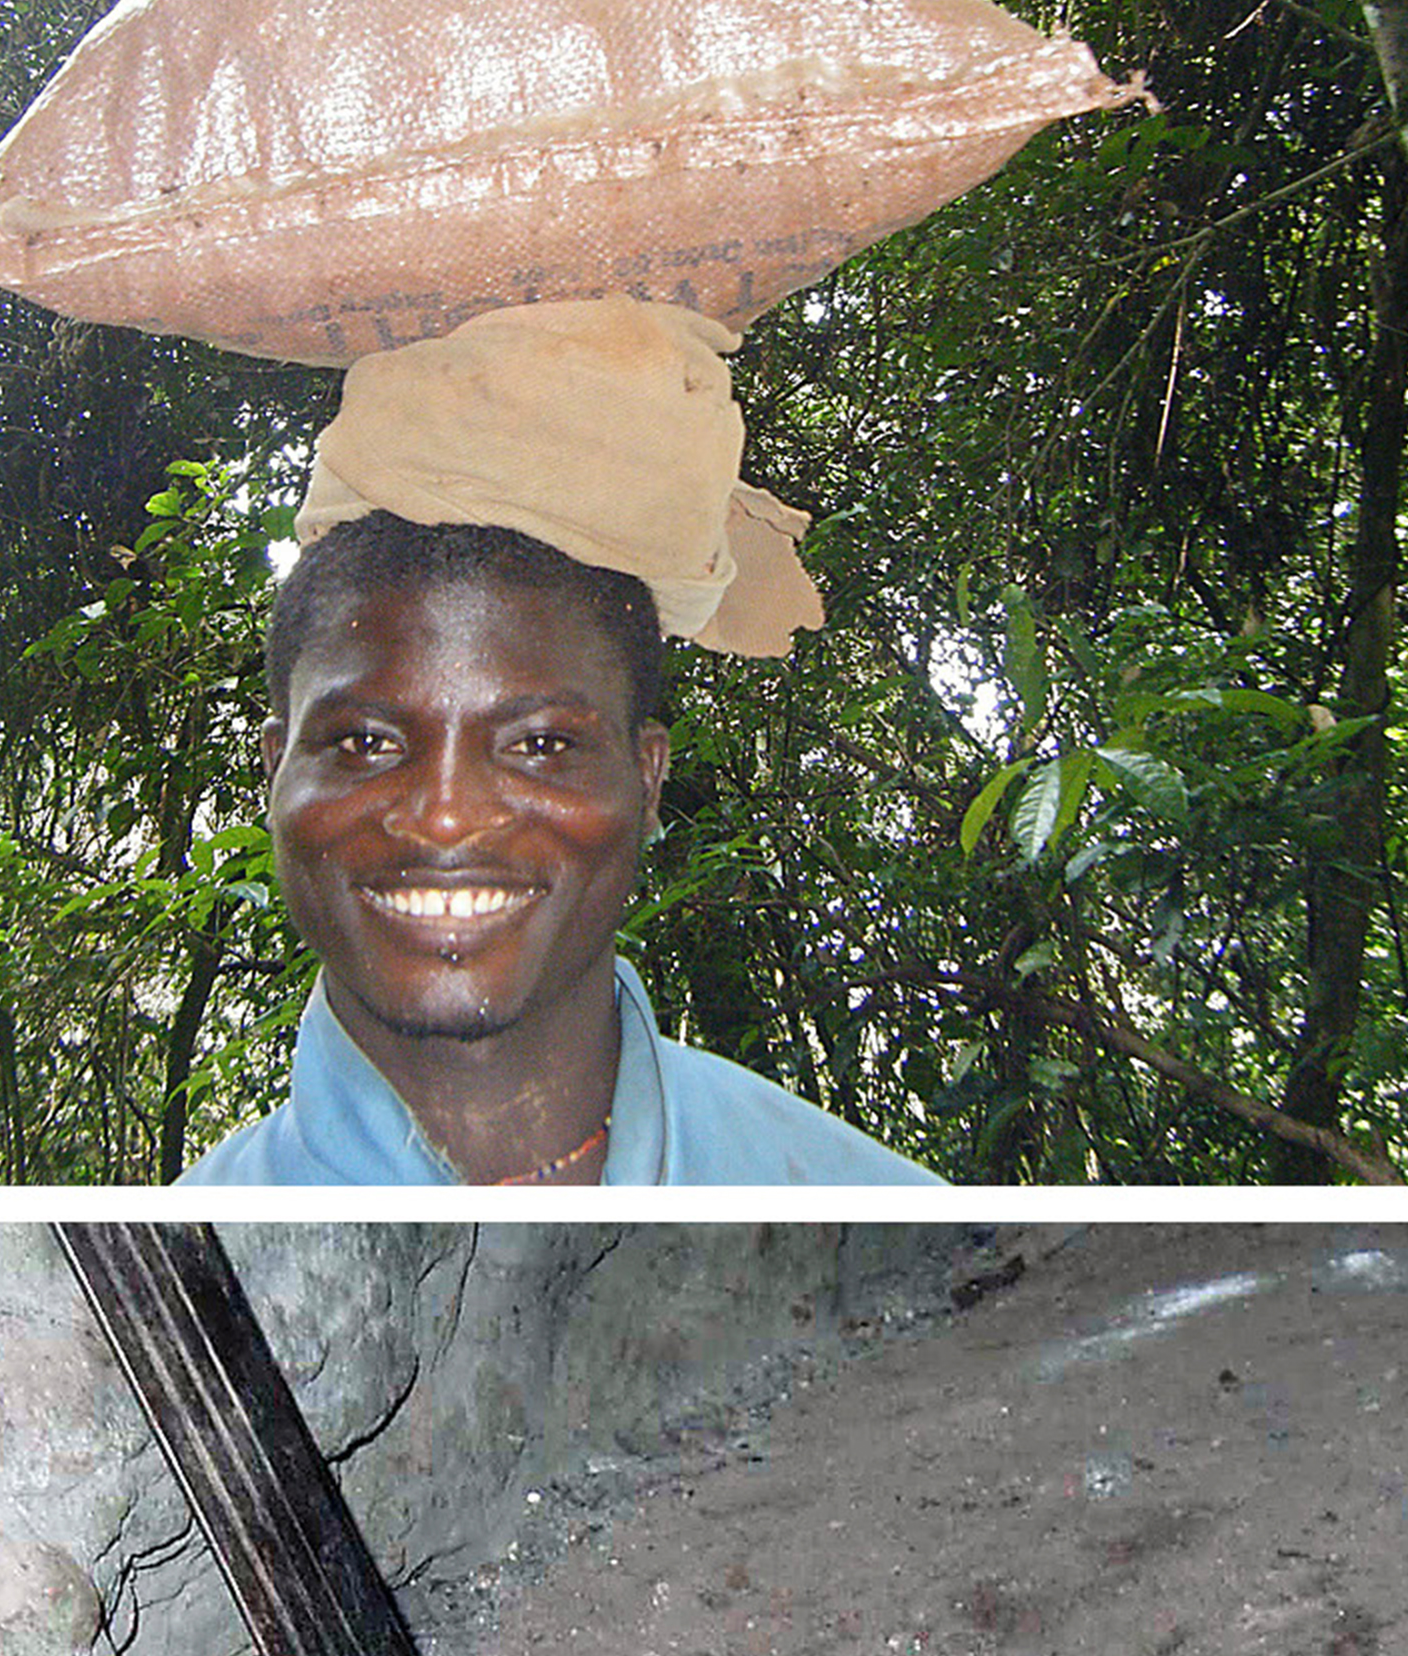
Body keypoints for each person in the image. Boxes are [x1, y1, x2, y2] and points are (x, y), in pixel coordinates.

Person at [180, 301, 939, 1187]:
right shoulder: (182, 1257)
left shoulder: (867, 1210)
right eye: (364, 743)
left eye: (539, 744)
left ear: (647, 779)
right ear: (276, 772)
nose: (447, 817)